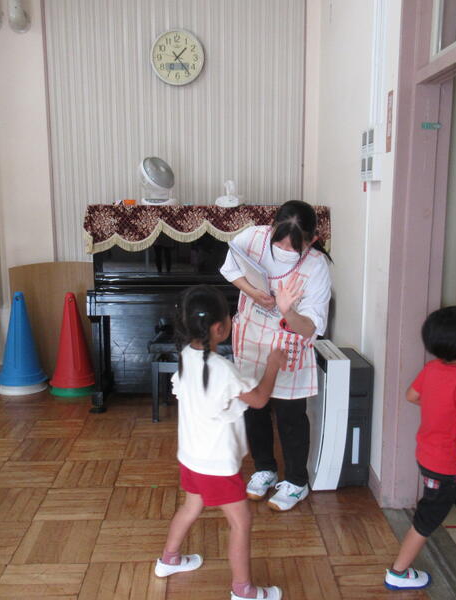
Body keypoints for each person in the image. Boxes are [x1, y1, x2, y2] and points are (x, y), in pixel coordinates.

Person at [155, 285, 286, 600]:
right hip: (217, 465)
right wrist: (273, 365)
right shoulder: (223, 370)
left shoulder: (185, 356)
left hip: (191, 457)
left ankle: (169, 559)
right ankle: (243, 590)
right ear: (219, 328)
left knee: (191, 506)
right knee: (241, 523)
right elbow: (259, 400)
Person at [220, 200, 332, 511]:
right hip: (252, 337)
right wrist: (253, 293)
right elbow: (230, 269)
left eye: (293, 247)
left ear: (311, 240)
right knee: (253, 407)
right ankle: (264, 469)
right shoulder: (252, 237)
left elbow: (311, 327)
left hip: (288, 343)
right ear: (272, 227)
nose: (283, 250)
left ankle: (296, 482)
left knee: (290, 414)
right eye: (279, 242)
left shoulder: (316, 266)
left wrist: (287, 311)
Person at [384, 305, 456, 591]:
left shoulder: (432, 369)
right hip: (445, 465)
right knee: (427, 520)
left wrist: (440, 409)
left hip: (430, 456)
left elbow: (412, 396)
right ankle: (398, 572)